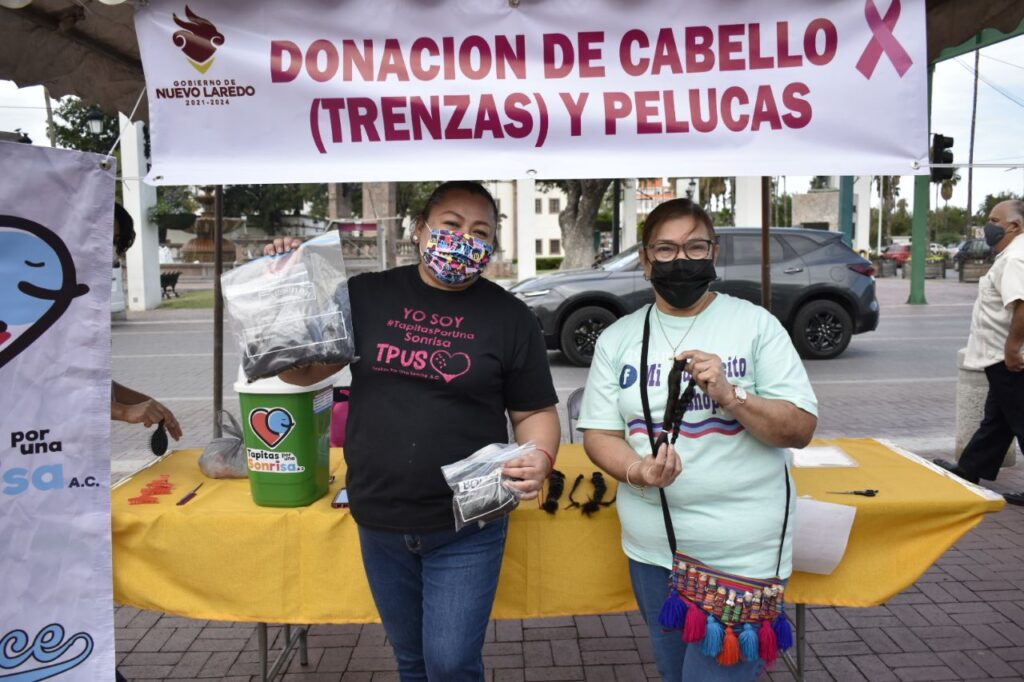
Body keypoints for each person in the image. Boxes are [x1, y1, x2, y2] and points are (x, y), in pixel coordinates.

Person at [267, 181, 560, 681]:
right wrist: (286, 285)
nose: (463, 239)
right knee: (412, 661)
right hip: (380, 514)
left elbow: (534, 412)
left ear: (491, 245)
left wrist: (542, 456)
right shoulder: (365, 296)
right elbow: (298, 373)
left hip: (467, 521)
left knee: (450, 663)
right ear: (421, 229)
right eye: (451, 225)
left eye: (479, 231)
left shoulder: (510, 317)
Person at [577, 198, 817, 682]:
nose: (680, 260)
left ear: (715, 251)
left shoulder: (755, 325)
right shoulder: (619, 337)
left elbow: (799, 428)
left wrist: (732, 396)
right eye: (665, 249)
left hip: (741, 553)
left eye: (694, 247)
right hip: (652, 551)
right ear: (645, 260)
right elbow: (600, 433)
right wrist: (637, 470)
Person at [934, 200, 1024, 505]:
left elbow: (1022, 304)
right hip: (1000, 355)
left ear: (1015, 226)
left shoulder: (1014, 259)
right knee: (997, 420)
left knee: (1019, 420)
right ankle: (970, 470)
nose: (988, 225)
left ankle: (969, 470)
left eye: (994, 219)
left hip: (1007, 357)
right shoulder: (1012, 255)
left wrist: (1013, 348)